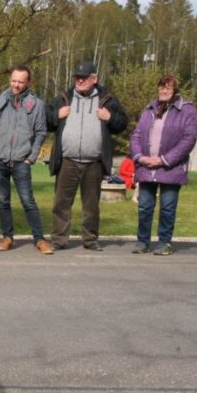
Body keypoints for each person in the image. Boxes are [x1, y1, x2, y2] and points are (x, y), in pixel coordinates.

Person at [46, 61, 129, 251]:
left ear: (94, 79)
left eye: (84, 78)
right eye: (77, 77)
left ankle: (90, 240)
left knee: (91, 206)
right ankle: (58, 240)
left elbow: (122, 123)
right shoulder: (63, 98)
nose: (80, 81)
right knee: (61, 204)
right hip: (67, 160)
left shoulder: (107, 100)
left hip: (94, 163)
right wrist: (57, 115)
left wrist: (109, 118)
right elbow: (46, 121)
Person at [0, 65, 52, 254]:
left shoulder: (37, 105)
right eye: (14, 80)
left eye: (20, 81)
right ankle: (7, 238)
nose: (16, 85)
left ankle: (40, 239)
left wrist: (31, 157)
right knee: (3, 201)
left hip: (22, 161)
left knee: (28, 201)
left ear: (28, 82)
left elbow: (41, 132)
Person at [128, 74, 197, 256]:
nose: (163, 91)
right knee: (144, 206)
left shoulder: (187, 109)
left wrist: (164, 160)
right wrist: (140, 157)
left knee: (167, 207)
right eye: (161, 87)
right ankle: (142, 242)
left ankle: (164, 242)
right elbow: (136, 135)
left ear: (175, 90)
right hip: (146, 167)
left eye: (167, 87)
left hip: (171, 168)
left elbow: (189, 139)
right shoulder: (149, 108)